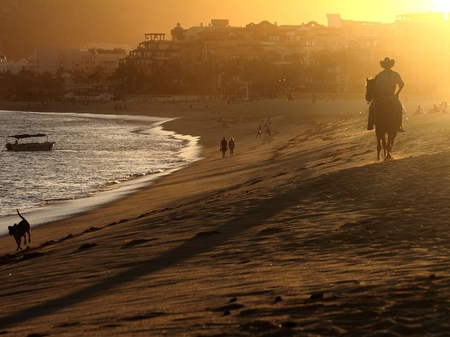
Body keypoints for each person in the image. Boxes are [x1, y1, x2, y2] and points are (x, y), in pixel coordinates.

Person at [367, 57, 405, 132]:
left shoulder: (396, 74)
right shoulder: (380, 75)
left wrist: (397, 93)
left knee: (399, 107)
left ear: (390, 65)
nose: (387, 66)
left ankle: (398, 125)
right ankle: (370, 124)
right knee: (371, 107)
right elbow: (376, 86)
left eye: (388, 64)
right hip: (382, 95)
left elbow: (402, 85)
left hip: (392, 95)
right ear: (384, 65)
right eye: (385, 64)